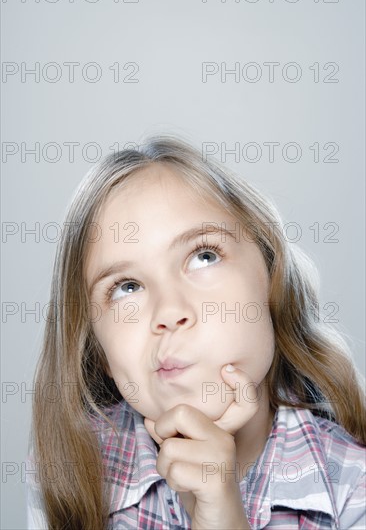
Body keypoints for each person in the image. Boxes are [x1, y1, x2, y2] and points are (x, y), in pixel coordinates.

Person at [27, 135, 366, 529]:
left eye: (204, 256)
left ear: (271, 280)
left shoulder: (352, 489)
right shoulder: (73, 470)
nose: (169, 312)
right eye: (126, 287)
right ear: (98, 351)